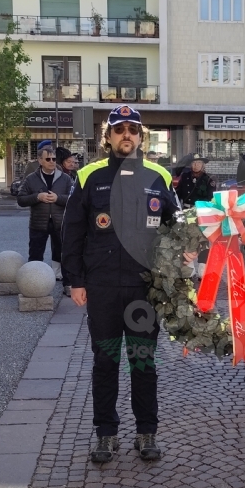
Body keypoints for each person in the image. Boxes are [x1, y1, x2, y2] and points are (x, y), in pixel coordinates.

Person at [62, 106, 179, 463]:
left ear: (141, 135)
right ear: (108, 136)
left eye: (133, 129)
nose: (126, 134)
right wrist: (75, 281)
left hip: (145, 287)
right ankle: (106, 434)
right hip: (103, 287)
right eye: (119, 129)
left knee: (143, 362)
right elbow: (73, 234)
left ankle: (146, 432)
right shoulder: (88, 176)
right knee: (106, 361)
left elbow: (176, 228)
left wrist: (185, 255)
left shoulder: (158, 175)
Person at [18, 142, 73, 283]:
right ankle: (33, 285)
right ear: (40, 161)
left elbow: (74, 199)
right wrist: (37, 197)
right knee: (35, 256)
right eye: (48, 159)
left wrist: (58, 198)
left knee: (64, 255)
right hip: (38, 224)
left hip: (60, 223)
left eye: (54, 159)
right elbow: (21, 199)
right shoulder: (31, 178)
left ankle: (68, 285)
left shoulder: (65, 178)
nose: (52, 162)